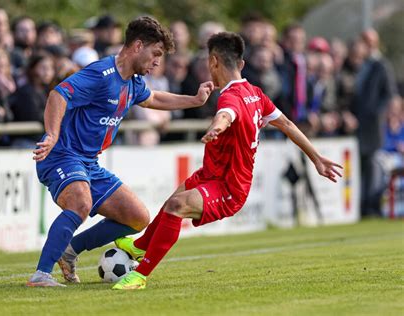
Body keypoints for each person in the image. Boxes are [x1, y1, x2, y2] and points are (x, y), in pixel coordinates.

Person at [112, 32, 343, 290]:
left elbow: (226, 115)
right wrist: (317, 158)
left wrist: (216, 127)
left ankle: (141, 275)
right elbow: (287, 124)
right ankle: (141, 246)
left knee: (177, 206)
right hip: (210, 175)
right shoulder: (256, 94)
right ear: (241, 64)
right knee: (172, 200)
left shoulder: (229, 96)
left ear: (212, 62)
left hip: (229, 187)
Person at [26, 16, 214, 287]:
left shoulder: (134, 82)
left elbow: (154, 98)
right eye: (156, 54)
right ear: (138, 46)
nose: (157, 62)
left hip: (89, 162)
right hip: (62, 154)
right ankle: (41, 275)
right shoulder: (101, 74)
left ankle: (69, 251)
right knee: (80, 203)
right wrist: (53, 134)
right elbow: (59, 94)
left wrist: (195, 101)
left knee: (138, 217)